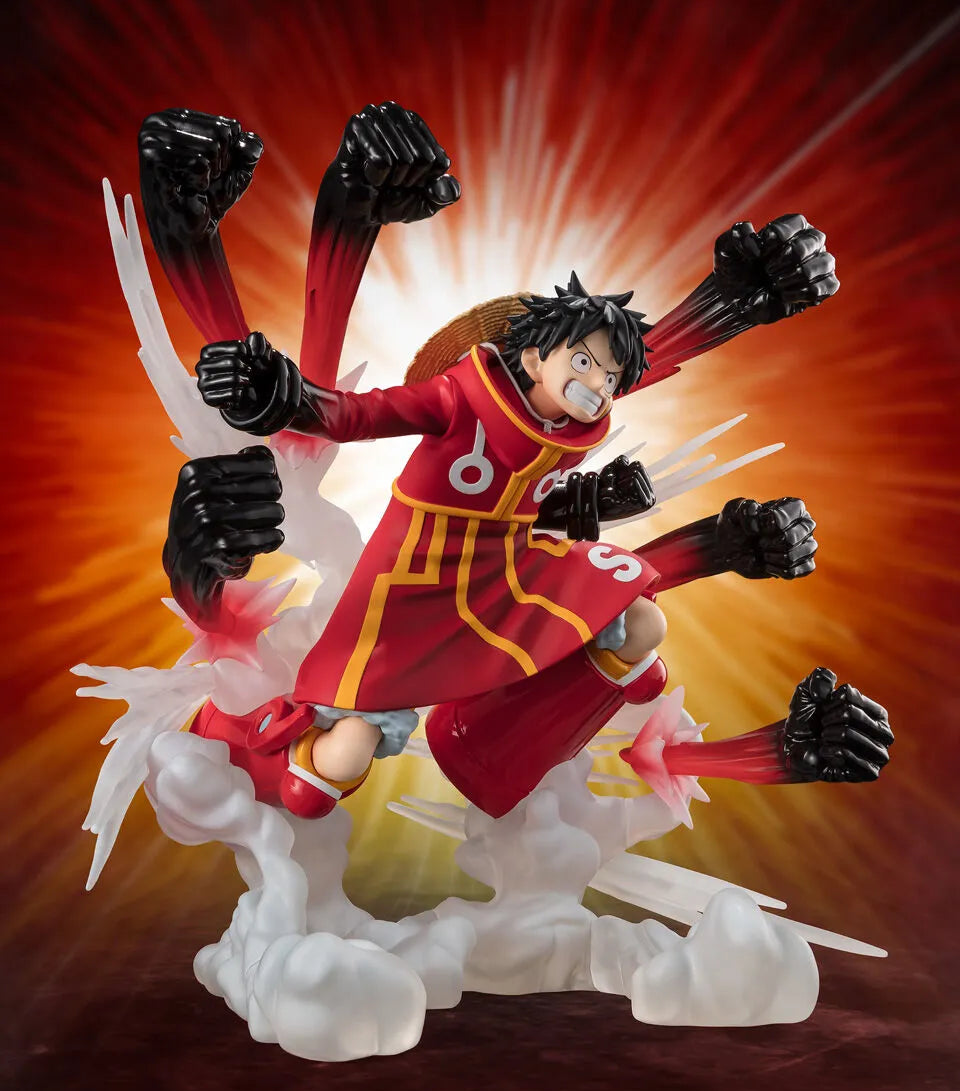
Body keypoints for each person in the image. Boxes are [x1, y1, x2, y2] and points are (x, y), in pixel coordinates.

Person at [147, 102, 890, 820]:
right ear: (528, 357)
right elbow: (358, 415)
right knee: (342, 749)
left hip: (504, 578)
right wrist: (285, 399)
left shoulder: (567, 428)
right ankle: (326, 767)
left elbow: (623, 370)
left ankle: (514, 725)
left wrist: (732, 304)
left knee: (637, 622)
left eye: (606, 379)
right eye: (582, 365)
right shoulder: (453, 405)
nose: (597, 388)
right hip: (413, 586)